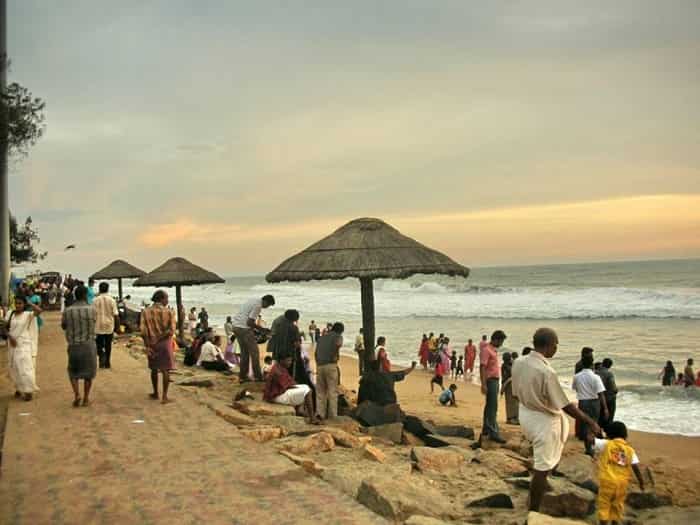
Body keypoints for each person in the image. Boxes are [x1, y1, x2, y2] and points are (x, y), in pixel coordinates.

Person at [512, 327, 602, 512]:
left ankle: (544, 484)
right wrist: (590, 421)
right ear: (549, 345)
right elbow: (565, 405)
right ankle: (534, 510)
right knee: (541, 467)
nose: (557, 347)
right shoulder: (546, 372)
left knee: (543, 458)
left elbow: (515, 392)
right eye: (556, 344)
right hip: (542, 422)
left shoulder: (519, 362)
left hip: (525, 413)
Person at [589, 421, 645, 525]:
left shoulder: (606, 444)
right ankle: (615, 522)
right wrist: (641, 482)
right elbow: (635, 468)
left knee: (604, 504)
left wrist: (594, 431)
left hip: (607, 482)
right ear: (625, 435)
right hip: (622, 484)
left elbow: (590, 440)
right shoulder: (630, 450)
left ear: (609, 435)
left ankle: (603, 523)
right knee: (617, 504)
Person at [61, 285, 98, 406]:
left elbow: (63, 326)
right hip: (89, 345)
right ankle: (86, 398)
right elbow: (94, 322)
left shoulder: (68, 310)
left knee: (73, 372)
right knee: (89, 373)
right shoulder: (92, 309)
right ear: (85, 295)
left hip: (74, 345)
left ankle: (77, 394)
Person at [140, 290, 176, 404]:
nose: (167, 300)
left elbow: (143, 331)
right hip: (165, 342)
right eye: (166, 298)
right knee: (166, 369)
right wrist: (159, 338)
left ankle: (155, 392)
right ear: (161, 299)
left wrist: (148, 344)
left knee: (154, 368)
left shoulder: (145, 312)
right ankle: (164, 396)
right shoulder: (169, 312)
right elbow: (171, 330)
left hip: (151, 342)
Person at [263, 353, 320, 424]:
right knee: (307, 391)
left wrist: (295, 386)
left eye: (290, 361)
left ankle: (299, 410)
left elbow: (290, 381)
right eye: (288, 361)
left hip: (280, 392)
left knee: (306, 387)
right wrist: (295, 386)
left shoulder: (280, 367)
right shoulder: (277, 371)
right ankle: (312, 418)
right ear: (281, 361)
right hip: (276, 396)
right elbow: (287, 385)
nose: (290, 363)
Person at [231, 295, 275, 383]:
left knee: (244, 353)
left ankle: (243, 376)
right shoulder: (258, 306)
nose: (266, 307)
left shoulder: (253, 299)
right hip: (244, 328)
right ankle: (258, 376)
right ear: (265, 301)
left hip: (236, 326)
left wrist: (258, 330)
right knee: (255, 353)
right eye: (268, 305)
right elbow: (249, 322)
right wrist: (262, 330)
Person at [5, 295, 42, 400]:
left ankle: (28, 390)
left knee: (26, 367)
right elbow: (4, 327)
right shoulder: (10, 313)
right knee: (15, 366)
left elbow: (39, 311)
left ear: (24, 304)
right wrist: (10, 337)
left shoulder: (28, 315)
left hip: (24, 344)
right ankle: (19, 388)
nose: (18, 305)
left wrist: (29, 303)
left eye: (20, 303)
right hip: (12, 344)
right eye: (16, 303)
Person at [572, 354, 609, 455]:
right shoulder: (596, 377)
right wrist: (605, 408)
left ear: (582, 364)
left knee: (585, 425)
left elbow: (575, 388)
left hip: (583, 402)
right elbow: (601, 394)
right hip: (594, 402)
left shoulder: (576, 376)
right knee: (594, 423)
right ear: (592, 364)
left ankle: (588, 448)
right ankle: (596, 444)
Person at [477, 330, 507, 445]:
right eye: (501, 341)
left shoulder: (492, 350)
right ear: (496, 339)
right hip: (490, 381)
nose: (501, 344)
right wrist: (483, 384)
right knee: (492, 407)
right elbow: (482, 367)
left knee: (490, 407)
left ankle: (486, 431)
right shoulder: (486, 350)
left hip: (494, 380)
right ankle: (493, 433)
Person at [315, 321, 343, 420]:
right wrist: (335, 354)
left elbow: (316, 352)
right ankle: (333, 416)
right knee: (332, 391)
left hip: (319, 365)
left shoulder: (322, 337)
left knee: (320, 391)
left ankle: (320, 414)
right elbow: (338, 344)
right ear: (340, 331)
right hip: (331, 365)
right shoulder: (337, 336)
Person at [93, 282, 118, 369]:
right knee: (108, 345)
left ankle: (101, 357)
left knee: (98, 344)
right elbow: (115, 314)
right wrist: (117, 328)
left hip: (98, 325)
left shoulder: (95, 300)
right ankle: (107, 362)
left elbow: (93, 314)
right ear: (108, 289)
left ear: (99, 289)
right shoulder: (112, 300)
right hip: (109, 325)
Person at [597, 358, 618, 428]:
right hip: (608, 398)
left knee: (600, 417)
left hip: (597, 399)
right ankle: (608, 432)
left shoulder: (595, 372)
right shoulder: (609, 374)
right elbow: (613, 387)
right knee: (609, 418)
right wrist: (616, 390)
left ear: (602, 363)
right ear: (610, 366)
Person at [500, 352, 519, 425]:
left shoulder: (506, 365)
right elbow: (508, 377)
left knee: (511, 402)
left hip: (508, 385)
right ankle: (512, 418)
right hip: (508, 385)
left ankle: (511, 418)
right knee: (512, 402)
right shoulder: (507, 366)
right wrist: (503, 386)